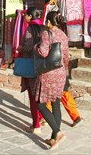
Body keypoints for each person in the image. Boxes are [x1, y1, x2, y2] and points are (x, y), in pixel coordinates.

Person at [33, 11, 69, 149]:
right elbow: (66, 56)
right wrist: (65, 71)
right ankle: (54, 138)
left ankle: (58, 132)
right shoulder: (64, 35)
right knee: (55, 104)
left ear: (48, 22)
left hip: (48, 73)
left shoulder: (46, 33)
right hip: (60, 72)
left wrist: (35, 47)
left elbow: (43, 52)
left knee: (40, 104)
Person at [17, 7, 44, 134]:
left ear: (29, 16)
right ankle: (42, 117)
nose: (24, 18)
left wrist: (20, 48)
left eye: (26, 16)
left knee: (33, 96)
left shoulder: (29, 29)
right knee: (40, 94)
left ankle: (36, 125)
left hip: (30, 66)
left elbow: (29, 47)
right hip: (42, 66)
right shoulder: (44, 28)